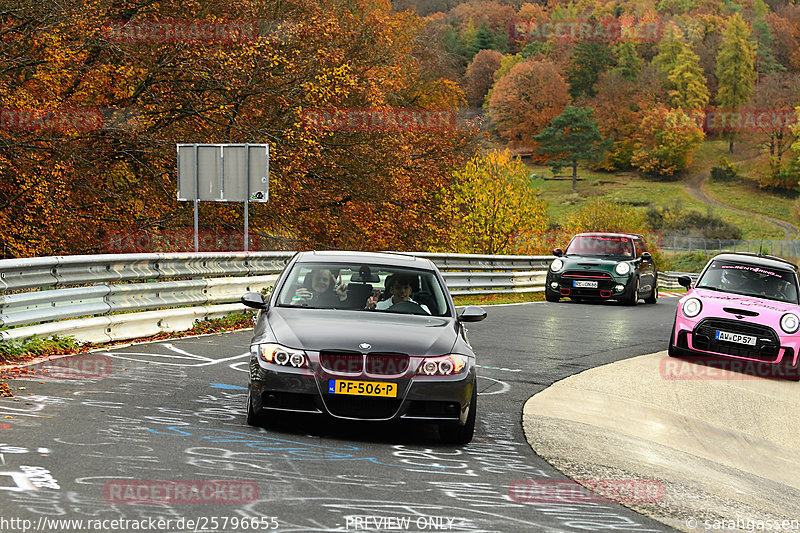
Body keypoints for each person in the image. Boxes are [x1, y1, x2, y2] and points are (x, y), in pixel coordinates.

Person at [366, 274, 430, 313]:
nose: (402, 291)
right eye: (398, 288)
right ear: (391, 290)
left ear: (410, 290)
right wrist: (369, 309)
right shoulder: (379, 307)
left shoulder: (422, 309)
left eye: (405, 288)